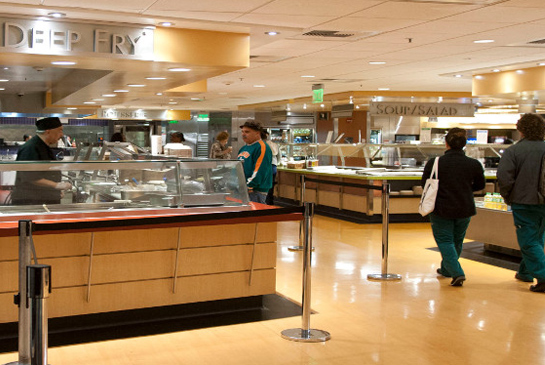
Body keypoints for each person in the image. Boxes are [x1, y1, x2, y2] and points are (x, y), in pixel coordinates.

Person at [421, 127, 485, 287]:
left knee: (444, 240)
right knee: (457, 240)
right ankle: (447, 269)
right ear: (464, 145)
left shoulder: (435, 163)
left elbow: (424, 184)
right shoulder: (473, 164)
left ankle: (457, 272)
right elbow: (480, 185)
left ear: (446, 143)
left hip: (441, 207)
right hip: (465, 207)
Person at [497, 113, 545, 292]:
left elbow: (504, 178)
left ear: (521, 130)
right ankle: (525, 272)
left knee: (528, 240)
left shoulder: (514, 151)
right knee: (537, 236)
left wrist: (508, 196)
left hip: (524, 201)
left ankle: (543, 276)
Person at [12, 117, 72, 205]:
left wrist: (55, 192)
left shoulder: (44, 146)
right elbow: (30, 177)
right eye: (60, 130)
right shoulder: (31, 148)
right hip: (31, 201)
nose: (62, 135)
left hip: (43, 199)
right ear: (48, 131)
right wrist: (56, 185)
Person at [237, 119, 272, 204]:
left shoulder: (262, 147)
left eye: (247, 132)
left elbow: (260, 170)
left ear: (257, 133)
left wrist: (249, 185)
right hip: (242, 189)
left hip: (255, 190)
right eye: (242, 132)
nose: (243, 134)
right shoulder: (243, 148)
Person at [261, 130, 282, 205]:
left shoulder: (260, 145)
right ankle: (270, 202)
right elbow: (279, 157)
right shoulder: (274, 144)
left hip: (264, 167)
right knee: (271, 186)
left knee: (264, 186)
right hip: (273, 167)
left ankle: (264, 202)